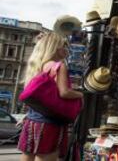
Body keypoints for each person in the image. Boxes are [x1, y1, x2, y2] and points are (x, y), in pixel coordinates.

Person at [18, 32, 84, 161]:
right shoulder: (59, 66)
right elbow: (64, 92)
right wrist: (80, 94)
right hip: (50, 123)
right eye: (64, 45)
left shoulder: (38, 66)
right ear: (56, 48)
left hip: (32, 121)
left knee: (28, 156)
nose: (67, 49)